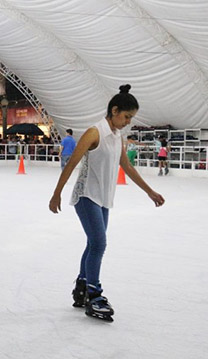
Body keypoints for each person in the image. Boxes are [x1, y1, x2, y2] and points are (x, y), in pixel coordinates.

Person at [48, 85, 165, 322]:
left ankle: (81, 288)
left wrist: (149, 191)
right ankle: (94, 294)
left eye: (131, 118)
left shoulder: (117, 136)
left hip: (103, 198)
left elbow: (127, 166)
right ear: (114, 110)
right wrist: (56, 193)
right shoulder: (94, 133)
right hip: (86, 196)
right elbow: (71, 164)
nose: (127, 122)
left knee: (93, 244)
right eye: (126, 116)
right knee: (99, 244)